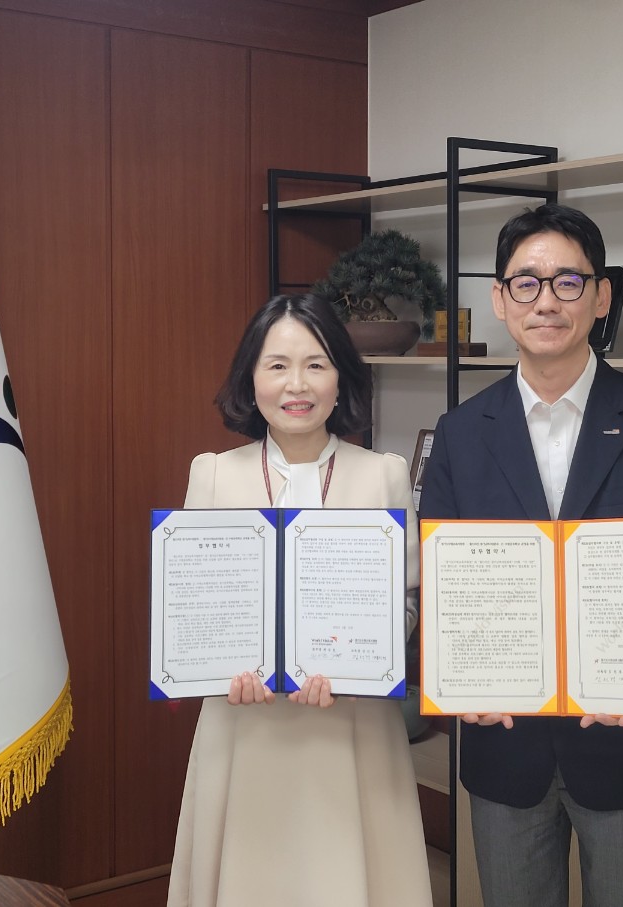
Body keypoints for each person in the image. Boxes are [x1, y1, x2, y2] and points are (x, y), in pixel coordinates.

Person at [419, 204, 623, 907]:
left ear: (600, 297)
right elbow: (444, 589)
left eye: (568, 282)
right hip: (506, 749)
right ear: (500, 300)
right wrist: (460, 676)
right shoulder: (462, 433)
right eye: (526, 283)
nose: (547, 301)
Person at [166, 294, 432, 907]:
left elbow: (410, 599)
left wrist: (363, 660)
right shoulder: (212, 473)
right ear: (250, 377)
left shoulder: (384, 474)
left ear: (341, 376)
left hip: (354, 725)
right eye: (276, 364)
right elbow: (195, 607)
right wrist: (215, 664)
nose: (297, 385)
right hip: (245, 723)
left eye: (316, 365)